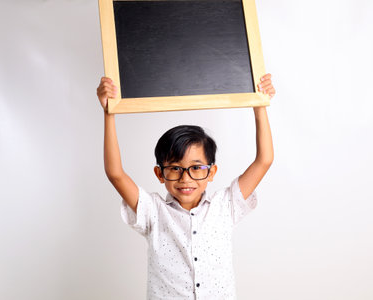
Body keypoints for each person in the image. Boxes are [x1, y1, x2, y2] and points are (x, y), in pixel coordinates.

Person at [96, 74, 276, 299]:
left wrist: (260, 106)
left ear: (211, 172)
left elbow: (264, 160)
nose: (186, 178)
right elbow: (115, 173)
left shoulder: (225, 205)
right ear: (160, 174)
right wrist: (108, 112)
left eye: (196, 168)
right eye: (175, 168)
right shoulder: (153, 211)